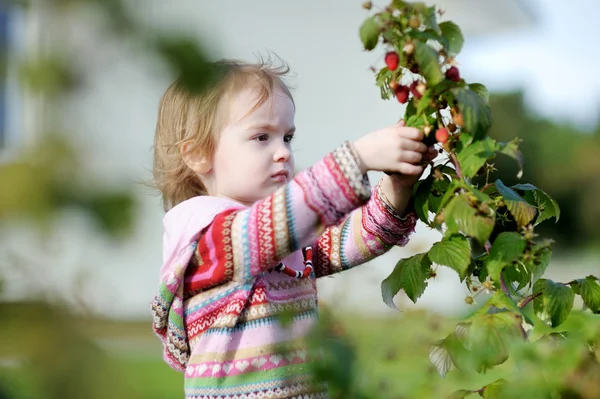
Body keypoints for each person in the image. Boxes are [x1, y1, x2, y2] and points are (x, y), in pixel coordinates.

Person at [150, 58, 436, 399]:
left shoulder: (283, 237)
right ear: (198, 154)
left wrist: (398, 187)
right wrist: (356, 158)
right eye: (261, 137)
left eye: (287, 137)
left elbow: (348, 240)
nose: (283, 152)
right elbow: (268, 229)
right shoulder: (208, 238)